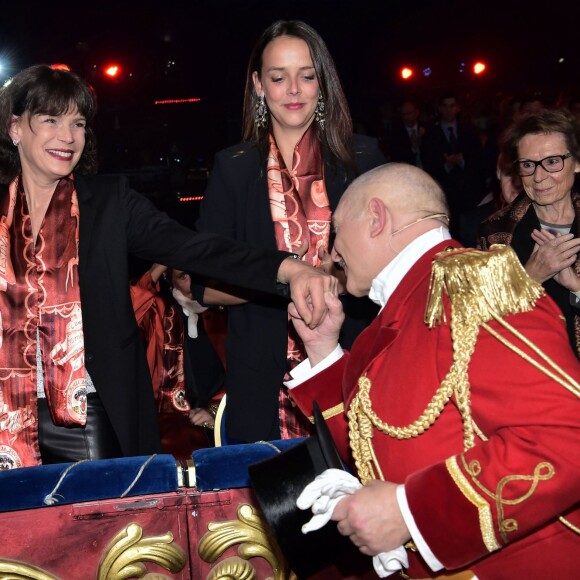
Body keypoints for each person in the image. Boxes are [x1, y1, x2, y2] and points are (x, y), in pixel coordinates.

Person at [0, 64, 336, 469]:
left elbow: (197, 248)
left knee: (104, 529)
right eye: (51, 120)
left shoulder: (109, 204)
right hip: (7, 415)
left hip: (90, 413)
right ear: (16, 127)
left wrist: (288, 269)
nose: (67, 137)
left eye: (78, 123)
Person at [284, 163, 580, 578]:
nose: (331, 252)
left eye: (336, 230)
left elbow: (567, 436)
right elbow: (378, 443)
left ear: (376, 217)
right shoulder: (395, 315)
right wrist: (322, 351)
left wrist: (411, 510)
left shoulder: (475, 284)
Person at [193, 20, 385, 443]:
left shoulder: (361, 156)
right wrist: (294, 279)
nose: (293, 90)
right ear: (259, 85)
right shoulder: (235, 166)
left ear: (323, 83)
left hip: (355, 359)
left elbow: (388, 266)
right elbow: (203, 285)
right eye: (279, 78)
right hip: (262, 369)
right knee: (274, 504)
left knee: (358, 497)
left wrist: (300, 279)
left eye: (306, 76)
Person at [478, 109, 580, 357]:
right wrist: (532, 275)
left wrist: (576, 286)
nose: (539, 176)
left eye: (553, 162)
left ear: (577, 163)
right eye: (528, 165)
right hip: (534, 372)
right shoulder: (497, 232)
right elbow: (484, 321)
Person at [130, 264, 225, 457]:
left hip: (225, 412)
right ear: (169, 279)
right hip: (171, 419)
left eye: (195, 274)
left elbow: (245, 375)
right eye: (182, 276)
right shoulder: (158, 311)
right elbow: (127, 311)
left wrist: (215, 412)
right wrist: (163, 261)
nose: (192, 283)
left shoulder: (226, 308)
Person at [421, 93, 488, 236]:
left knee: (473, 231)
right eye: (445, 106)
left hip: (470, 193)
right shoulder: (431, 134)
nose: (448, 110)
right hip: (446, 193)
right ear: (439, 108)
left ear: (457, 108)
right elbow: (428, 164)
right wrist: (447, 165)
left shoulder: (469, 130)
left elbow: (479, 160)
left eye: (452, 106)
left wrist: (462, 161)